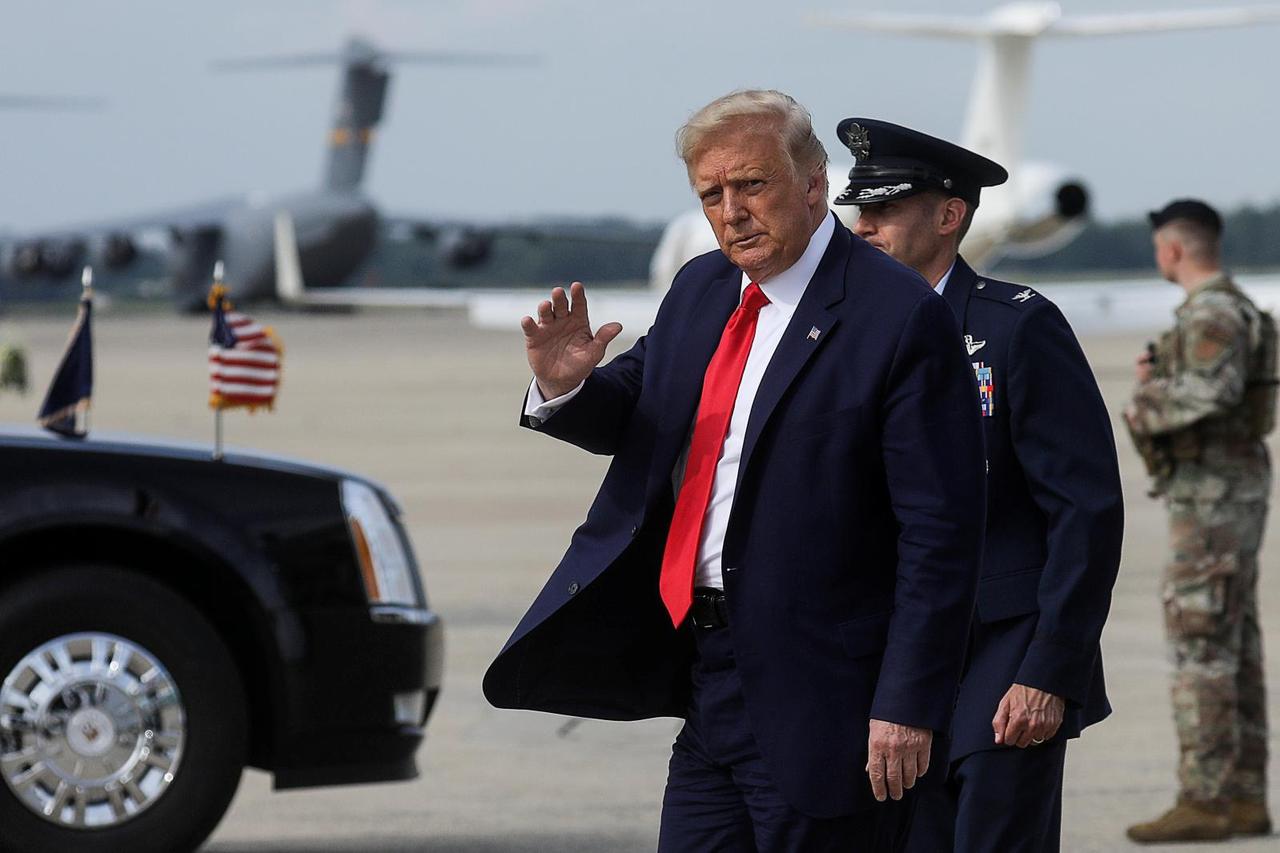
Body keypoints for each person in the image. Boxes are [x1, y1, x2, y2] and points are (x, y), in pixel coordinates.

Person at [483, 90, 987, 852]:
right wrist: (567, 384)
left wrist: (908, 703)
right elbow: (638, 413)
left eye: (751, 185)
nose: (731, 211)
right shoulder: (702, 288)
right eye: (711, 194)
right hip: (708, 669)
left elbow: (940, 534)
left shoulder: (898, 313)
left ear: (813, 185)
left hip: (831, 694)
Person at [833, 118, 1125, 853]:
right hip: (898, 658)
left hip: (1005, 647)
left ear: (948, 215)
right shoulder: (845, 335)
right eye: (858, 211)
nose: (862, 227)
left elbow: (1085, 512)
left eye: (883, 210)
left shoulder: (1016, 329)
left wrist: (1049, 671)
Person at [1124, 199, 1275, 843]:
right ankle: (1242, 795)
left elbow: (1210, 392)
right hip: (1226, 492)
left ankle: (1206, 799)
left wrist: (1147, 401)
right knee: (1232, 641)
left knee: (1201, 641)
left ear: (1174, 250)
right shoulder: (1233, 307)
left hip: (1212, 498)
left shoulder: (1213, 312)